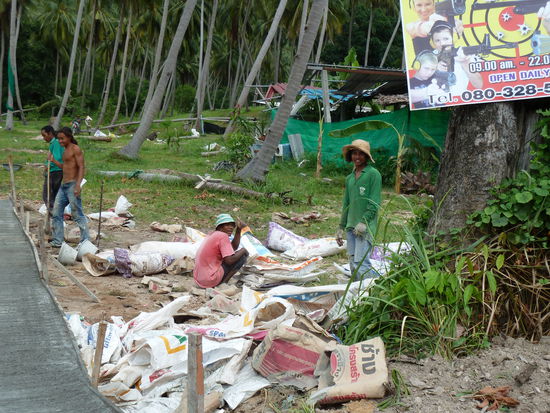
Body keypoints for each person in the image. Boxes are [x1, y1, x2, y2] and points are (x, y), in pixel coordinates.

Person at [336, 139, 381, 281]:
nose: (357, 157)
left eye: (361, 154)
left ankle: (372, 291)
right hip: (351, 227)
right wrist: (341, 227)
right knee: (353, 262)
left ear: (366, 156)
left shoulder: (373, 174)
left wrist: (363, 222)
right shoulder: (350, 178)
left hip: (365, 227)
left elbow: (374, 202)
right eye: (354, 153)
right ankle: (357, 292)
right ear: (350, 156)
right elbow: (346, 204)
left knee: (362, 264)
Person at [50, 127, 89, 247]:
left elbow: (81, 167)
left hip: (72, 185)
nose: (60, 141)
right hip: (63, 186)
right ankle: (58, 240)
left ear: (69, 137)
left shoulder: (75, 149)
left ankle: (85, 241)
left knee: (77, 214)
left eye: (62, 138)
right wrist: (53, 161)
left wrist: (78, 185)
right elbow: (66, 167)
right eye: (58, 139)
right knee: (56, 213)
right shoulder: (65, 150)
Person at [193, 214, 249, 288]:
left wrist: (238, 230)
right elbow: (229, 260)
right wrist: (244, 250)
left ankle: (220, 280)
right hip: (210, 279)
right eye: (227, 225)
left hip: (200, 279)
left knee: (237, 254)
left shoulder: (212, 235)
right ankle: (223, 283)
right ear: (220, 227)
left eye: (232, 225)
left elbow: (232, 249)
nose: (231, 228)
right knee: (242, 256)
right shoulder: (222, 236)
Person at [429, 20, 483, 96]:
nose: (442, 43)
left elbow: (479, 85)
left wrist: (465, 63)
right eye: (437, 40)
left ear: (453, 38)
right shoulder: (428, 57)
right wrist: (434, 69)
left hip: (459, 101)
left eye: (446, 39)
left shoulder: (464, 54)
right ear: (432, 42)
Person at [41, 125, 64, 213]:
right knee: (53, 193)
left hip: (54, 171)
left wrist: (48, 166)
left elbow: (57, 158)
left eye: (44, 135)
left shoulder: (56, 143)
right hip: (55, 171)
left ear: (50, 133)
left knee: (47, 194)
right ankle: (55, 211)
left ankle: (53, 212)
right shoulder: (53, 144)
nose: (44, 138)